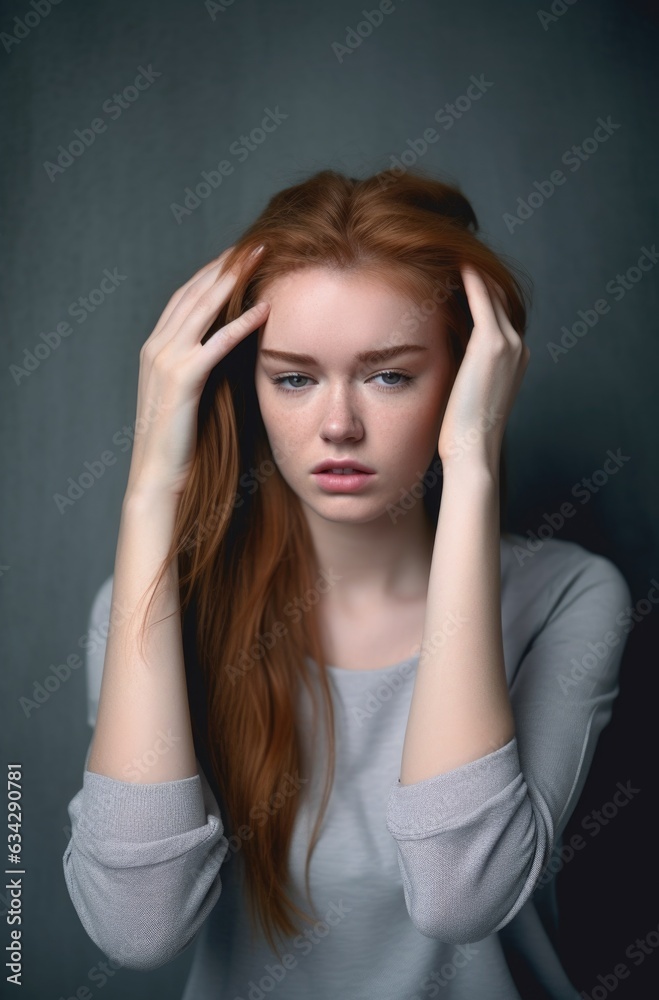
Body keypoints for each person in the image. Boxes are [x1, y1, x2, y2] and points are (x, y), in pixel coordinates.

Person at [63, 168, 632, 999]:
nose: (337, 425)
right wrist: (151, 488)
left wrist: (470, 467)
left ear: (472, 375)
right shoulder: (147, 611)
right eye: (292, 377)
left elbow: (457, 896)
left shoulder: (570, 598)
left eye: (389, 375)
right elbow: (136, 929)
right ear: (248, 388)